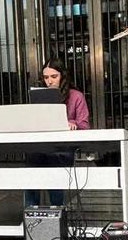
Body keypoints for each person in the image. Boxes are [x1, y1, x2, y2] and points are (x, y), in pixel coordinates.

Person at [24, 58, 90, 207]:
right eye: (46, 77)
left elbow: (85, 125)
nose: (49, 81)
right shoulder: (39, 96)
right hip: (42, 146)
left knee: (54, 164)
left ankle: (57, 211)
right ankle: (31, 212)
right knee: (32, 164)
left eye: (54, 77)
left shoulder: (76, 96)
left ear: (63, 77)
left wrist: (73, 123)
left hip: (63, 148)